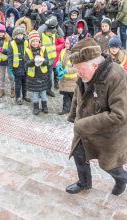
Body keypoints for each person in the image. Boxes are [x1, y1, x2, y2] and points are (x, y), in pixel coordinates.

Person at [66, 38, 127, 196]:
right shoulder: (85, 73)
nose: (78, 73)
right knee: (79, 155)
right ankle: (84, 183)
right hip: (84, 128)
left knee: (109, 165)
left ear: (95, 64)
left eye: (80, 69)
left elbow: (120, 115)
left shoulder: (117, 76)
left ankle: (122, 179)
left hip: (108, 134)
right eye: (76, 69)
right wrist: (73, 115)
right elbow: (78, 94)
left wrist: (83, 124)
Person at [25, 30, 50, 115]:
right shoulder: (27, 50)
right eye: (33, 41)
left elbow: (47, 61)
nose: (35, 43)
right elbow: (26, 63)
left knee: (43, 93)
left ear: (39, 41)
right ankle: (36, 107)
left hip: (43, 75)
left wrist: (43, 61)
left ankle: (44, 106)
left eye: (37, 41)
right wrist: (33, 61)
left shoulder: (43, 49)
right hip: (33, 76)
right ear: (30, 42)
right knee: (35, 94)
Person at [8, 26, 31, 105]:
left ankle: (24, 95)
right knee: (18, 84)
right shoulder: (12, 44)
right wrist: (10, 68)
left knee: (25, 83)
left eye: (21, 34)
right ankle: (18, 97)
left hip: (25, 67)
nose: (20, 36)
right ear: (15, 35)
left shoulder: (26, 42)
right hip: (17, 67)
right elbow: (10, 56)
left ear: (23, 35)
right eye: (18, 35)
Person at [57, 35, 78, 115]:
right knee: (65, 95)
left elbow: (76, 68)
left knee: (73, 96)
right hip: (64, 79)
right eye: (65, 43)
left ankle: (74, 111)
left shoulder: (76, 54)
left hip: (72, 80)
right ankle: (65, 109)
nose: (65, 45)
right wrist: (58, 65)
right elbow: (59, 59)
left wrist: (66, 71)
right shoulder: (63, 51)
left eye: (67, 43)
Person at [0, 23, 14, 98]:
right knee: (2, 77)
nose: (0, 34)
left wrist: (4, 50)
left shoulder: (9, 39)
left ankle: (13, 89)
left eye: (2, 32)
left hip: (8, 61)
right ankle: (1, 90)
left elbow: (11, 51)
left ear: (4, 32)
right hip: (1, 62)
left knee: (11, 76)